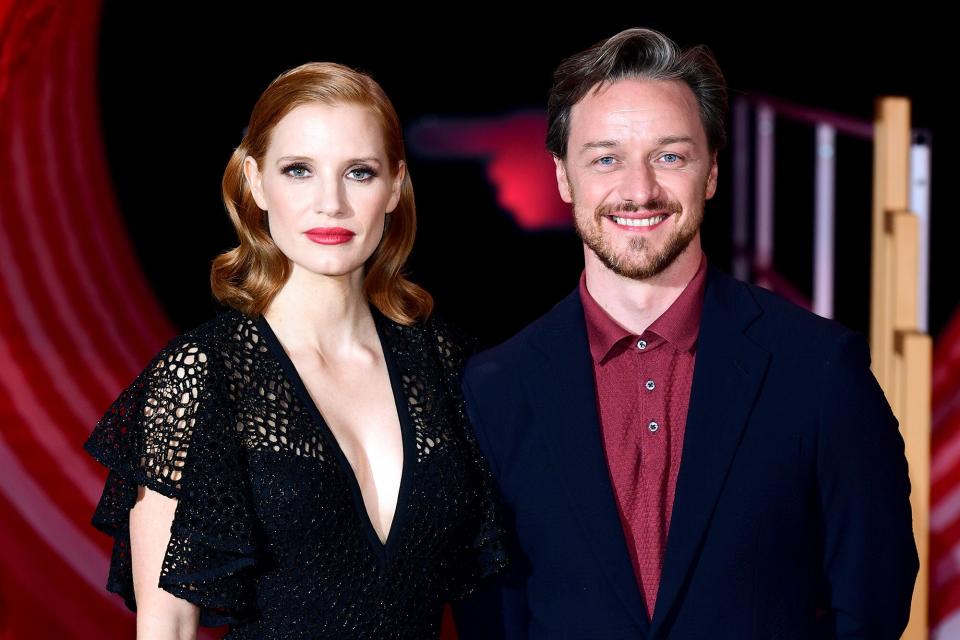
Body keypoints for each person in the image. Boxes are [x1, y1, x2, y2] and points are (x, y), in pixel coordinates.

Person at [455, 28, 918, 639]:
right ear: (564, 178)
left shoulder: (820, 367)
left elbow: (872, 595)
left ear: (712, 172)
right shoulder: (495, 388)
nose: (640, 189)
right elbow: (495, 615)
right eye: (605, 158)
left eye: (670, 155)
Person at [84, 61, 507, 639]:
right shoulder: (202, 376)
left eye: (359, 172)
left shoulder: (449, 367)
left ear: (395, 186)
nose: (330, 203)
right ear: (255, 182)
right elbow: (169, 628)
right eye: (299, 170)